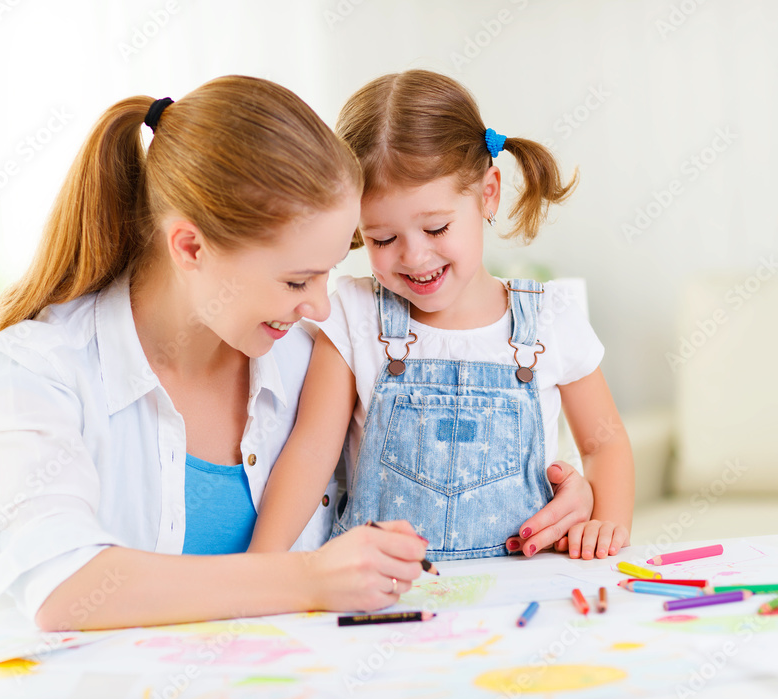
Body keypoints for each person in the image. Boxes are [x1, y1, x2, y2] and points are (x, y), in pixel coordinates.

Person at [0, 76, 433, 631]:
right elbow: (64, 587)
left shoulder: (311, 359)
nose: (320, 306)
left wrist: (566, 493)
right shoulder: (41, 368)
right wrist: (306, 578)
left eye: (329, 272)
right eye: (296, 282)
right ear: (191, 247)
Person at [249, 70, 633, 562]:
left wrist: (606, 528)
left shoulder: (550, 320)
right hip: (386, 596)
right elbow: (309, 453)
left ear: (488, 193)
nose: (413, 257)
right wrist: (262, 566)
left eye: (436, 227)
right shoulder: (354, 313)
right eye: (381, 239)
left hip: (521, 588)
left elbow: (605, 445)